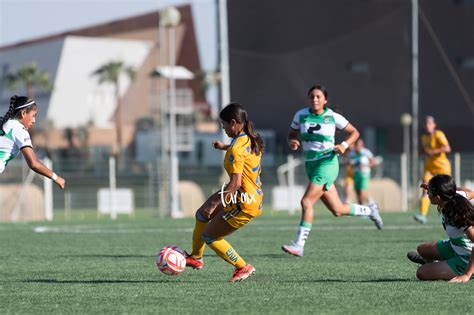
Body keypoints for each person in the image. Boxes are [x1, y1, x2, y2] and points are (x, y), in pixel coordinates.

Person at [282, 85, 383, 257]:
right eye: (312, 96)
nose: (315, 99)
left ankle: (299, 245)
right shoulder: (300, 115)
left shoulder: (333, 117)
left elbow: (354, 132)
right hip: (311, 164)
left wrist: (344, 145)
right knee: (337, 209)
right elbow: (291, 134)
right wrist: (292, 141)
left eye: (318, 96)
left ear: (325, 100)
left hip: (327, 163)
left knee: (306, 202)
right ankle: (370, 210)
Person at [185, 103, 264, 282]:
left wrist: (216, 202)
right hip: (246, 195)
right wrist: (224, 147)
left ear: (234, 123)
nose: (223, 127)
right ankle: (196, 258)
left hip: (244, 201)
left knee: (209, 235)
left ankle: (243, 267)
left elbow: (235, 183)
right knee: (203, 214)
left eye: (224, 124)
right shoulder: (249, 139)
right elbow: (241, 151)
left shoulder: (237, 148)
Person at [407, 174, 474, 282]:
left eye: (429, 192)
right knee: (422, 250)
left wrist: (467, 274)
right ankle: (441, 265)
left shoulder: (457, 215)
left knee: (421, 273)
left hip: (466, 258)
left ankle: (463, 270)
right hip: (456, 247)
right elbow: (470, 191)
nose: (427, 193)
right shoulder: (453, 195)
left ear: (438, 197)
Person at [0, 95, 65, 189]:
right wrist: (56, 177)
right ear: (23, 113)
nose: (34, 120)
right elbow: (33, 163)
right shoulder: (19, 130)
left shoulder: (5, 124)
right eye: (33, 116)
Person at [414, 116, 451, 224]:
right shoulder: (424, 137)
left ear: (434, 125)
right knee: (425, 189)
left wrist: (433, 152)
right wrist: (421, 152)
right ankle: (422, 215)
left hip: (442, 167)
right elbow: (426, 150)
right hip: (429, 167)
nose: (427, 125)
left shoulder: (438, 134)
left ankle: (452, 214)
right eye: (425, 123)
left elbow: (447, 148)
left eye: (429, 123)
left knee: (446, 192)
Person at [348, 138, 378, 205]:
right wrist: (352, 164)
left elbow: (374, 162)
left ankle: (373, 203)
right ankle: (361, 211)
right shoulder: (352, 153)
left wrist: (366, 165)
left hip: (364, 174)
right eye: (357, 145)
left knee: (362, 193)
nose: (358, 146)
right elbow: (350, 163)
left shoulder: (366, 152)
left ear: (362, 145)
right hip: (356, 174)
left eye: (360, 145)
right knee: (358, 193)